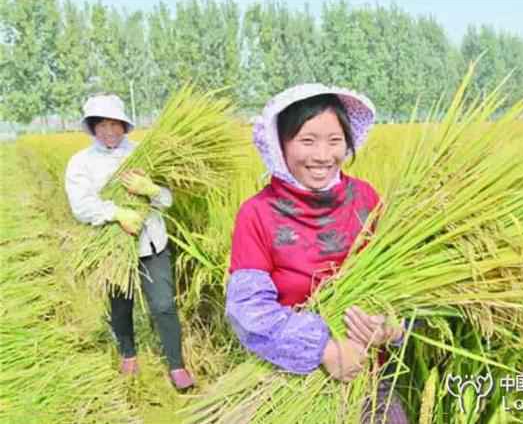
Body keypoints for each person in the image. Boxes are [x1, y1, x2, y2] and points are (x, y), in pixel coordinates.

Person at [226, 84, 408, 422]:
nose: (323, 156)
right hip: (289, 377)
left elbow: (403, 284)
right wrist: (324, 349)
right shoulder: (258, 213)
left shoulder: (366, 199)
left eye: (335, 141)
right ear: (281, 145)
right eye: (307, 141)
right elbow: (247, 308)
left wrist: (391, 328)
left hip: (368, 375)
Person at [64, 94, 194, 390]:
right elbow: (81, 206)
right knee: (121, 305)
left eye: (115, 124)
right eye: (102, 125)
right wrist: (117, 213)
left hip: (152, 243)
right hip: (112, 247)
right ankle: (128, 354)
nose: (109, 131)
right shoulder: (81, 163)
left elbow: (168, 200)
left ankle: (176, 364)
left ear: (125, 126)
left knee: (163, 305)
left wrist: (150, 189)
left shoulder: (146, 154)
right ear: (93, 128)